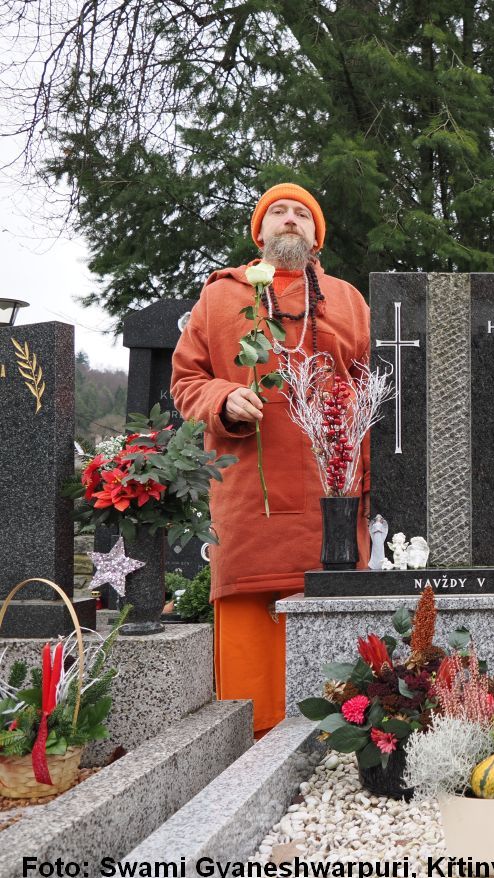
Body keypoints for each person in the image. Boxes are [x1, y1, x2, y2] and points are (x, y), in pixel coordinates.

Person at [172, 183, 371, 737]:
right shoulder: (219, 297)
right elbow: (187, 381)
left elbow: (376, 391)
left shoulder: (349, 299)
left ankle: (334, 746)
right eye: (277, 212)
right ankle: (250, 752)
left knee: (334, 627)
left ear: (316, 236)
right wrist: (223, 400)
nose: (289, 219)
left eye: (302, 214)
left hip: (331, 493)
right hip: (248, 495)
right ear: (258, 231)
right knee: (251, 666)